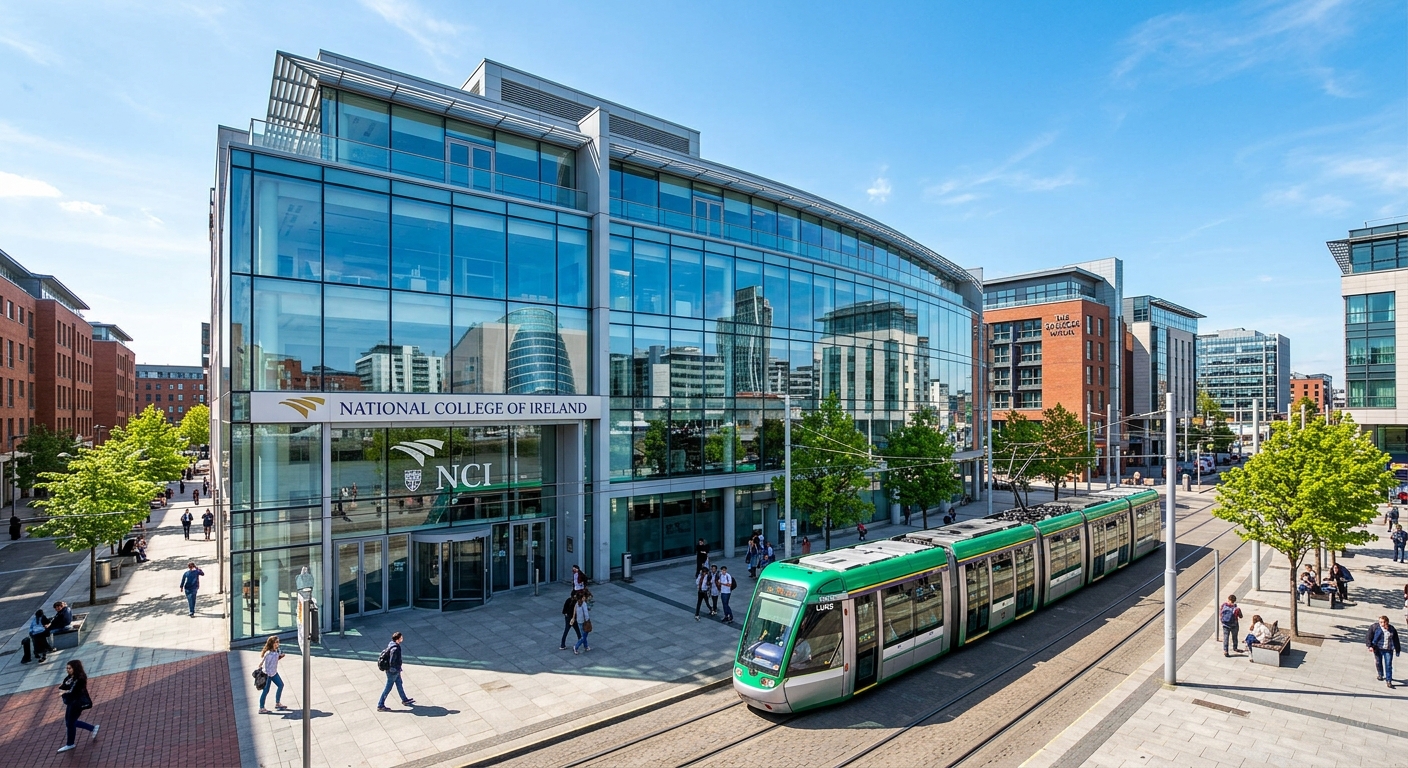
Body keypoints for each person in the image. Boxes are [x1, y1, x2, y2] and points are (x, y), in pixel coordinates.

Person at [56, 659, 98, 753]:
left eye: (69, 668)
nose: (67, 670)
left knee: (70, 723)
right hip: (71, 702)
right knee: (69, 722)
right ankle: (92, 728)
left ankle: (70, 743)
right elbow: (64, 685)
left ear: (75, 668)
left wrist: (64, 691)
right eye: (67, 668)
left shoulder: (80, 679)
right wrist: (62, 688)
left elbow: (73, 691)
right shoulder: (70, 677)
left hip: (77, 703)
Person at [376, 631, 415, 711]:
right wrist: (396, 669)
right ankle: (380, 705)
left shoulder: (391, 644)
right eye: (401, 638)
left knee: (399, 684)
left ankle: (404, 700)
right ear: (397, 639)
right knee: (388, 688)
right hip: (393, 672)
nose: (402, 639)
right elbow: (392, 662)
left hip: (394, 671)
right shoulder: (395, 649)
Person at [1366, 615, 1401, 688]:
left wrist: (1397, 649)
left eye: (1382, 622)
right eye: (1380, 622)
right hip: (1377, 648)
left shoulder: (1392, 629)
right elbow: (1369, 636)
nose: (1381, 623)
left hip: (1388, 649)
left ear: (1387, 622)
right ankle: (1380, 674)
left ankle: (1388, 680)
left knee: (1388, 665)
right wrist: (1370, 646)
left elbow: (1396, 640)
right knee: (1378, 662)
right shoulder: (1375, 627)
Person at [258, 636, 288, 713]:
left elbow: (277, 658)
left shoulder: (277, 651)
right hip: (267, 674)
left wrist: (281, 656)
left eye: (278, 642)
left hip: (274, 673)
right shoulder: (268, 654)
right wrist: (266, 674)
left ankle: (277, 703)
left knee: (281, 685)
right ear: (272, 643)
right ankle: (261, 708)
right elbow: (263, 664)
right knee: (265, 691)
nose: (278, 643)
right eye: (276, 642)